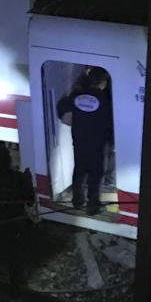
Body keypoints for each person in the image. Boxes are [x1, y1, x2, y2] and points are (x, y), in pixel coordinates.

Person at [0, 144, 34, 302]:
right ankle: (15, 296)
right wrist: (28, 180)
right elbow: (30, 201)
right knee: (15, 263)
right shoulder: (18, 178)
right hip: (14, 227)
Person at [56, 67, 113, 214]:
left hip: (79, 141)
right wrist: (110, 141)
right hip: (97, 145)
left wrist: (65, 118)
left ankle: (77, 201)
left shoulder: (77, 96)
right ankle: (92, 205)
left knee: (79, 171)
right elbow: (110, 122)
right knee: (95, 175)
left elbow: (61, 106)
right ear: (102, 82)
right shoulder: (104, 100)